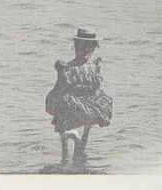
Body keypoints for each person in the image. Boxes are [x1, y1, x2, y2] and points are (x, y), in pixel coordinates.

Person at [45, 29, 113, 163]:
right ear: (93, 48)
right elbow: (96, 89)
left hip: (71, 108)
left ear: (76, 46)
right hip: (89, 107)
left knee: (65, 147)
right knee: (84, 136)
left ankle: (67, 160)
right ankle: (79, 160)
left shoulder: (68, 67)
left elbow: (60, 88)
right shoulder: (93, 67)